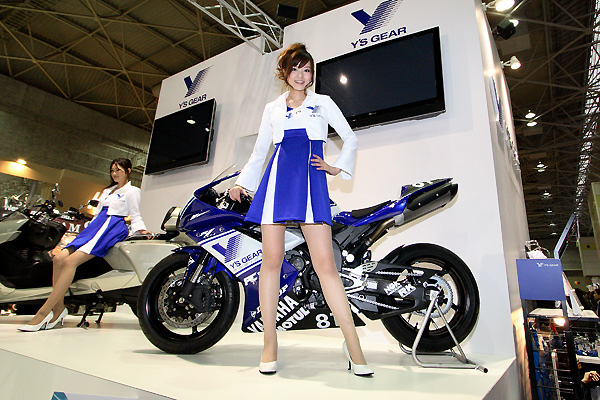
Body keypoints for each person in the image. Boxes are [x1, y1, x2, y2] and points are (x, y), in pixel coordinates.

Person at [229, 43, 372, 376]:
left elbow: (350, 138)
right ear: (284, 72)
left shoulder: (323, 103)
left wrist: (337, 168)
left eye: (307, 70)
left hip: (311, 184)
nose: (301, 75)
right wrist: (242, 183)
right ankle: (270, 343)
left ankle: (353, 345)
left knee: (326, 266)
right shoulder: (272, 108)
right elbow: (260, 151)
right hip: (276, 183)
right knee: (270, 262)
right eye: (295, 69)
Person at [18, 158, 149, 332]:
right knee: (58, 259)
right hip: (94, 227)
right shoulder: (108, 190)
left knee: (70, 262)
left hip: (110, 228)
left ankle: (44, 311)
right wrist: (88, 231)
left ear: (128, 171)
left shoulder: (132, 191)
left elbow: (135, 215)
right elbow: (97, 214)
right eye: (112, 170)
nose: (114, 173)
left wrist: (141, 231)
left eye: (118, 170)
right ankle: (59, 308)